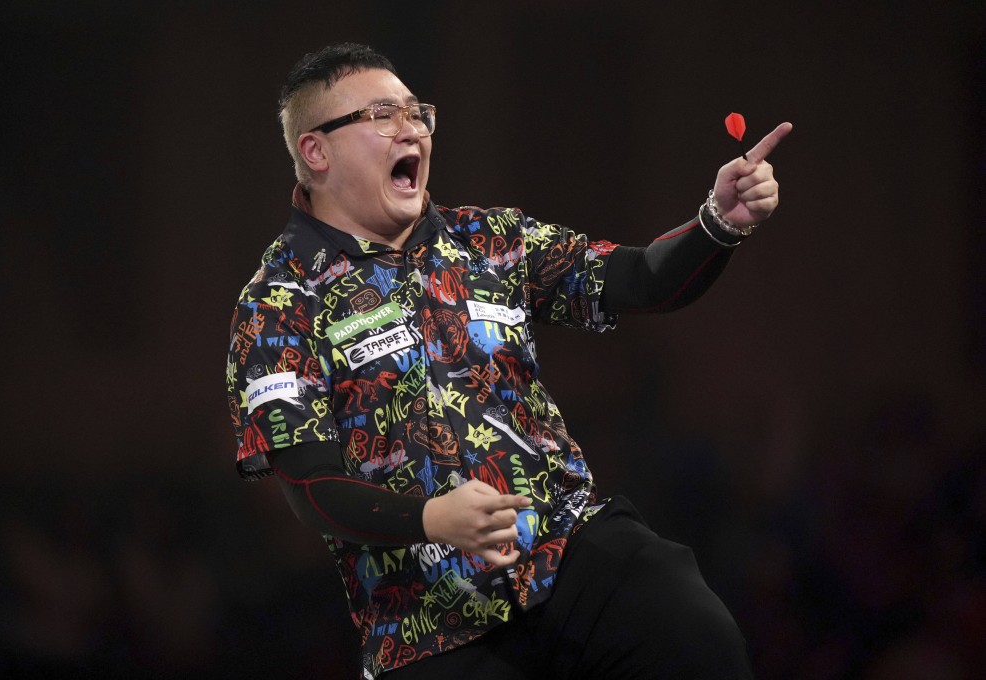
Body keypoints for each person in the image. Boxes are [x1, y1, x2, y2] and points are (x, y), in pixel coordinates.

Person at [225, 42, 791, 680]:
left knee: (689, 627)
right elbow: (309, 486)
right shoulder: (277, 303)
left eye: (418, 113)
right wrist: (432, 518)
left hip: (566, 550)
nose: (412, 129)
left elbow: (638, 279)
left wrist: (717, 223)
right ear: (316, 151)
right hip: (425, 623)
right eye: (382, 115)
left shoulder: (490, 241)